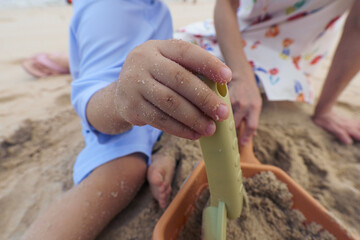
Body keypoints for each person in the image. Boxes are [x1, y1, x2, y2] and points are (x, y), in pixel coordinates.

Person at [23, 0, 233, 239]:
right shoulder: (110, 10)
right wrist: (119, 99)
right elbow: (89, 103)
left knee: (173, 109)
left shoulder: (143, 8)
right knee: (124, 169)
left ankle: (163, 149)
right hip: (112, 116)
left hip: (139, 105)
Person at [176, 0, 360, 145]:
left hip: (289, 57)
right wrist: (242, 77)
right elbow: (226, 3)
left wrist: (324, 110)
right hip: (231, 35)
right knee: (177, 61)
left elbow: (357, 26)